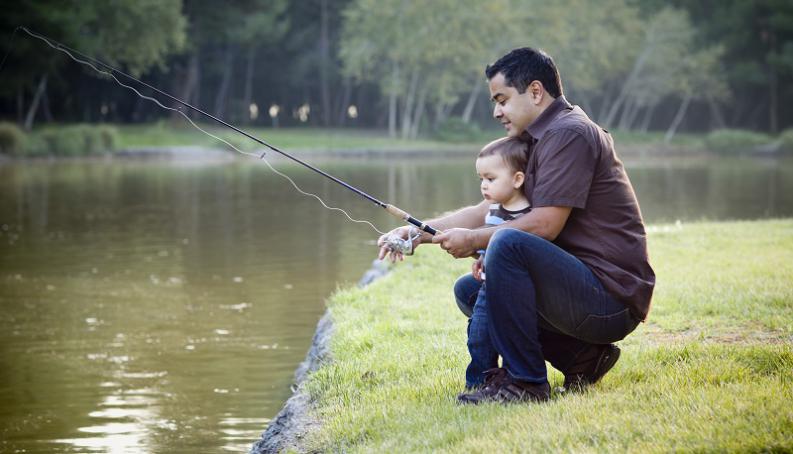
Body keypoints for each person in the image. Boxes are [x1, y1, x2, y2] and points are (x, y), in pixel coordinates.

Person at [378, 47, 655, 404]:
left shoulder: (569, 133)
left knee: (506, 244)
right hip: (582, 290)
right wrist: (418, 233)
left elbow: (545, 225)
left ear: (536, 92)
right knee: (472, 292)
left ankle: (526, 383)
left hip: (610, 300)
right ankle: (583, 358)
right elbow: (486, 208)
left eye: (502, 99)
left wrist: (477, 240)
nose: (496, 111)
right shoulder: (537, 137)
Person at [461, 137, 532, 390]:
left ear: (517, 180)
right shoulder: (495, 209)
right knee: (478, 336)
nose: (484, 186)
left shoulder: (528, 216)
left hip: (513, 291)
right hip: (488, 287)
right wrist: (481, 256)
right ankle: (478, 383)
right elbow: (493, 244)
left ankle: (502, 379)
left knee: (499, 337)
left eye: (491, 179)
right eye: (481, 179)